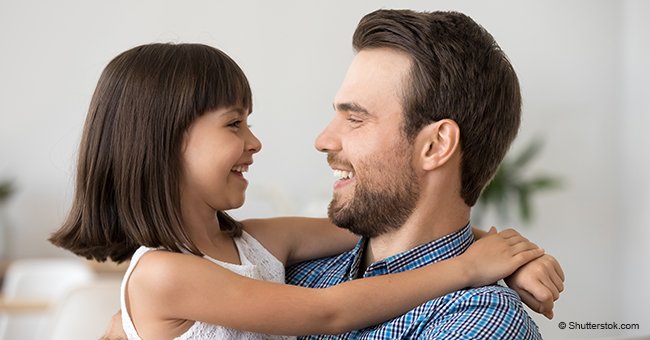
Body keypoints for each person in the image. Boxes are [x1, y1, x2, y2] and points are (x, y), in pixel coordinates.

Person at [49, 42, 547, 339]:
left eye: (355, 118)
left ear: (436, 144)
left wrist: (505, 251)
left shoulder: (264, 244)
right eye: (234, 124)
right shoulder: (166, 273)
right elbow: (327, 313)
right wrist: (465, 266)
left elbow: (414, 225)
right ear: (162, 143)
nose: (256, 141)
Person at [283, 9, 563, 339]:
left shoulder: (484, 322)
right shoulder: (295, 275)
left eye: (355, 119)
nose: (323, 141)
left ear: (435, 145)